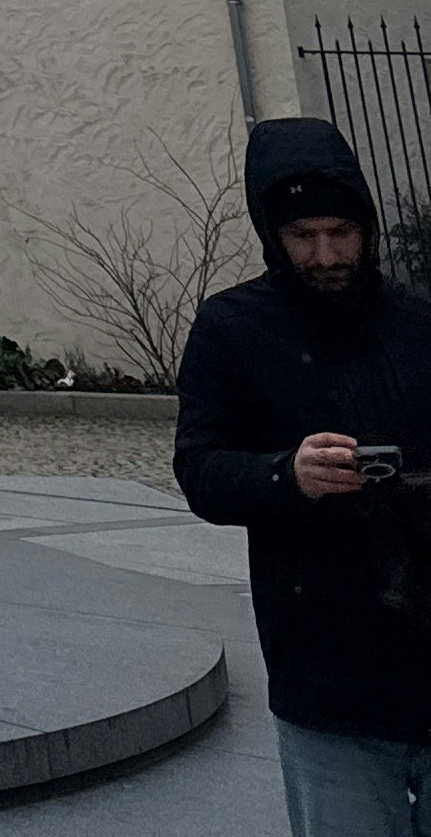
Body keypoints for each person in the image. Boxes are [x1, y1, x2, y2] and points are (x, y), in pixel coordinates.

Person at [176, 113, 431, 832]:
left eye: (341, 232)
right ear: (272, 235)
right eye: (303, 235)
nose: (326, 255)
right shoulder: (231, 328)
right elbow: (200, 469)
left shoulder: (417, 323)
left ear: (366, 227)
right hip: (325, 667)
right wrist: (287, 475)